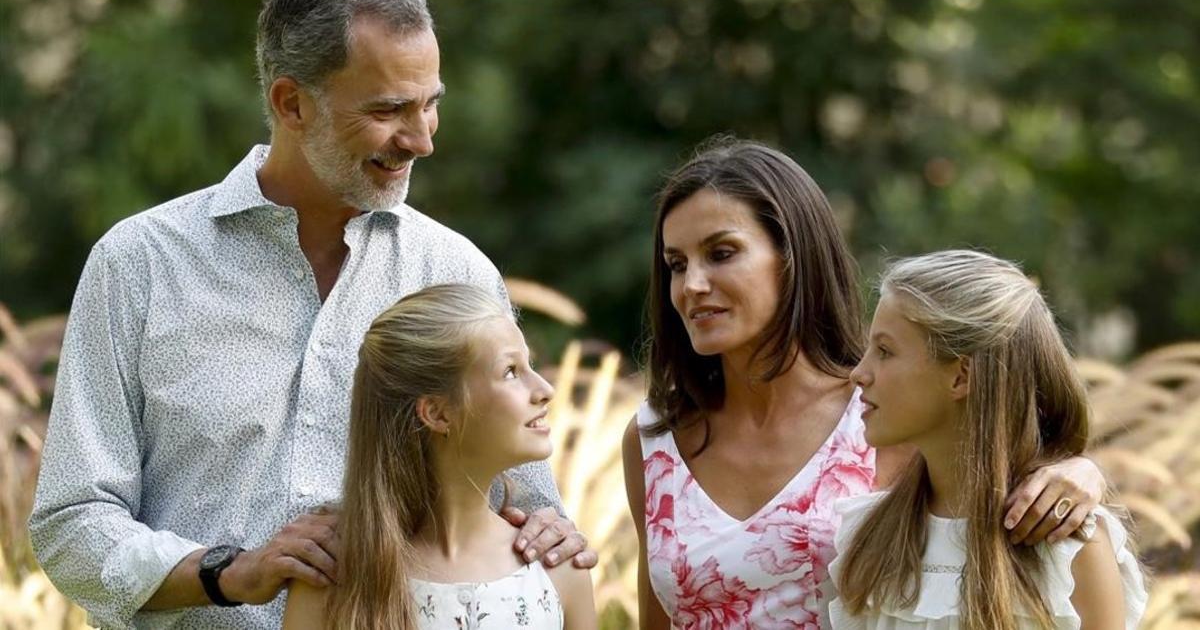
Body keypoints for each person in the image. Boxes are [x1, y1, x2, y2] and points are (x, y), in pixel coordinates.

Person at [29, 0, 592, 628]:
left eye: (430, 103)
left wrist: (552, 527)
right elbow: (73, 521)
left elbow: (521, 499)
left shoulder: (458, 272)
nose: (421, 139)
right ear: (291, 103)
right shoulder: (138, 266)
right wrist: (228, 573)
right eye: (388, 110)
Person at [622, 138, 1108, 628]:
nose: (692, 285)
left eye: (721, 253)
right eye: (676, 264)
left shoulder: (882, 414)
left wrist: (1080, 469)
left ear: (793, 255)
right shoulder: (656, 438)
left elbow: (996, 463)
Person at [829, 250, 1147, 629]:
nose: (859, 374)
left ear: (961, 377)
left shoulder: (1072, 549)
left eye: (885, 351)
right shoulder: (866, 539)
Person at [280, 284, 596, 629]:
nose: (545, 390)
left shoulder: (558, 570)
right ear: (437, 414)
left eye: (530, 365)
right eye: (510, 371)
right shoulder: (332, 578)